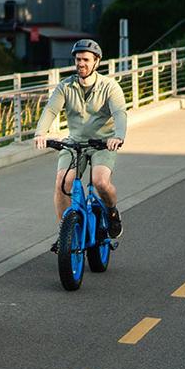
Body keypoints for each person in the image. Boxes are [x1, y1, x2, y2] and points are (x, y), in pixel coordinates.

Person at [33, 39, 128, 243]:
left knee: (100, 182)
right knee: (62, 183)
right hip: (74, 143)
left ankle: (112, 212)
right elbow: (50, 110)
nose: (81, 64)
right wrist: (40, 132)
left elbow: (119, 112)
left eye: (86, 59)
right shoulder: (66, 86)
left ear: (96, 62)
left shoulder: (110, 86)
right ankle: (66, 234)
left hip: (103, 143)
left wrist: (118, 136)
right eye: (78, 59)